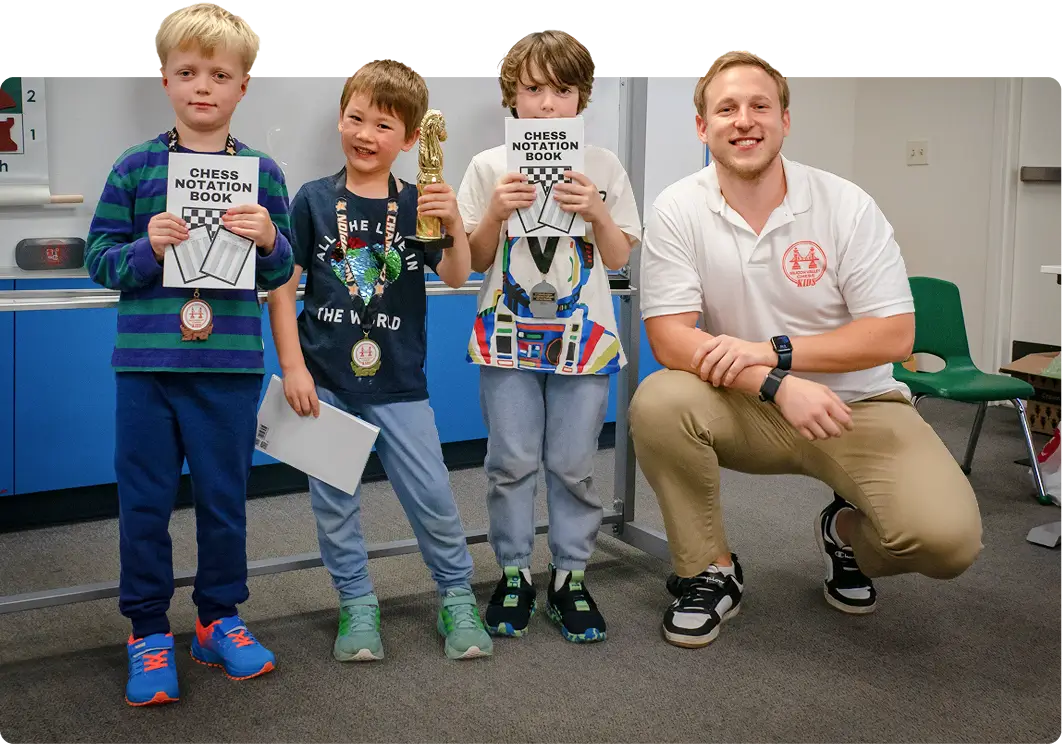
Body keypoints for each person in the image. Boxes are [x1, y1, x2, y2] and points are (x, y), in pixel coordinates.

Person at [628, 50, 984, 649]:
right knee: (660, 401)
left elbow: (894, 334)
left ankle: (845, 534)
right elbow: (670, 337)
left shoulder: (845, 204)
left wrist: (775, 354)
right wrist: (774, 383)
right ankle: (708, 572)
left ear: (785, 120)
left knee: (948, 542)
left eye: (760, 106)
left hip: (859, 406)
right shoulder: (678, 207)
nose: (744, 120)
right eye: (726, 109)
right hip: (742, 404)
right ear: (703, 127)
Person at [84, 2, 293, 705]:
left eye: (220, 75)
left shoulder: (263, 174)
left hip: (229, 370)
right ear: (164, 79)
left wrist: (269, 239)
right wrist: (148, 248)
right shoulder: (136, 168)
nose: (203, 86)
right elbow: (99, 261)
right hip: (147, 372)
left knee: (225, 503)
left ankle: (218, 619)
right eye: (187, 72)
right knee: (144, 504)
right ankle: (146, 630)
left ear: (243, 86)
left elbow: (280, 271)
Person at [266, 59, 493, 663]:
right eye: (355, 118)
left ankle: (456, 596)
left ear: (413, 138)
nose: (366, 134)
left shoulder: (420, 202)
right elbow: (283, 287)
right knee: (333, 503)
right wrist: (293, 366)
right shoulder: (313, 200)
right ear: (340, 119)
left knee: (434, 496)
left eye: (384, 125)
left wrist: (451, 223)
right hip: (327, 381)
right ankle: (357, 604)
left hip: (398, 382)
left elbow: (454, 274)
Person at [456, 30, 642, 643]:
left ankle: (570, 576)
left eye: (562, 91)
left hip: (583, 337)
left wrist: (597, 211)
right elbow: (473, 261)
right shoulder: (487, 166)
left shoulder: (605, 165)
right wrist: (493, 215)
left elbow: (617, 258)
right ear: (513, 93)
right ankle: (513, 573)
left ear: (582, 97)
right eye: (533, 90)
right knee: (509, 462)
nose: (546, 105)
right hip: (506, 332)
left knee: (573, 463)